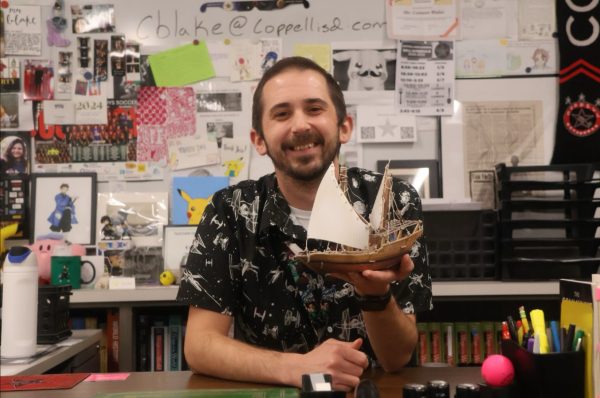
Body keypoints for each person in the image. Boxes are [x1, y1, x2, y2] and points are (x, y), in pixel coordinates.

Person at [176, 56, 432, 391]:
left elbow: (396, 358)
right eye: (282, 114)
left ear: (344, 126)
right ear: (259, 140)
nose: (300, 125)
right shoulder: (230, 211)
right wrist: (298, 368)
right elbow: (200, 347)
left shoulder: (395, 201)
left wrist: (375, 294)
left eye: (314, 109)